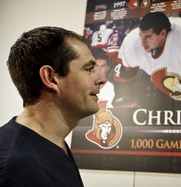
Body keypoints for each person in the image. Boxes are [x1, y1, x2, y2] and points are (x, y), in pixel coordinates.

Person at [0, 27, 106, 186]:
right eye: (89, 69)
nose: (101, 79)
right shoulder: (15, 166)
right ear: (50, 78)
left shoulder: (53, 143)